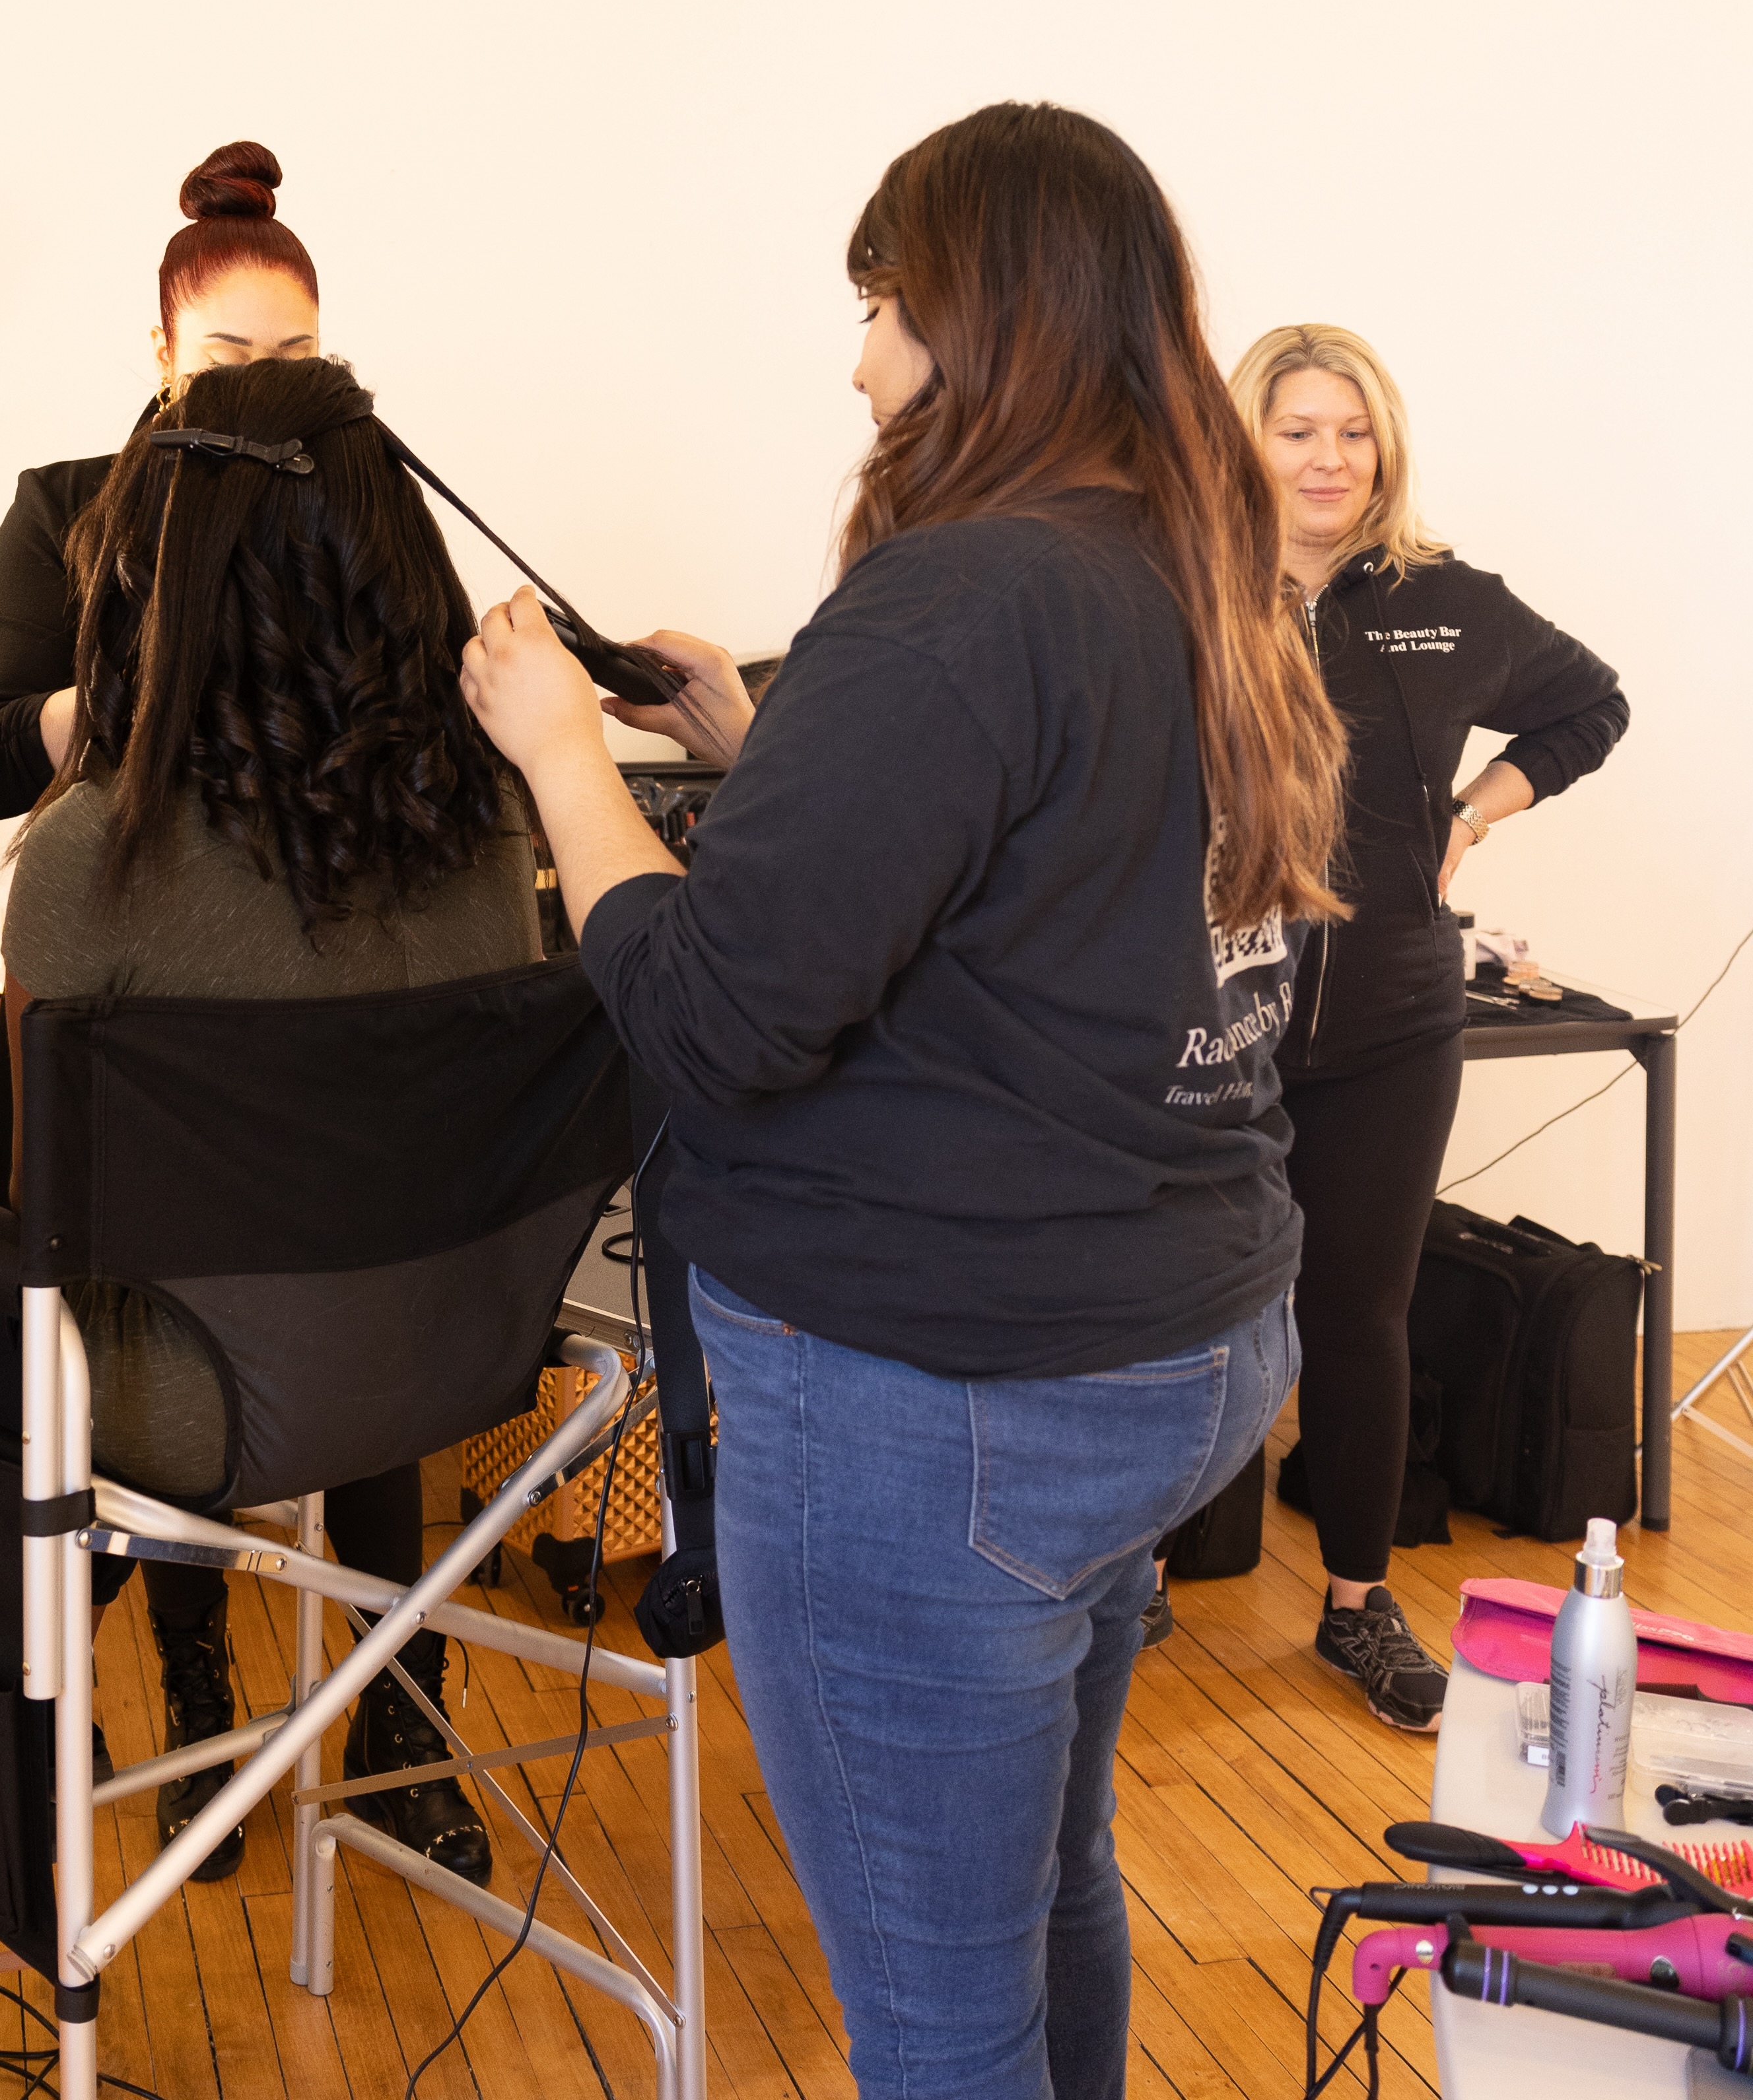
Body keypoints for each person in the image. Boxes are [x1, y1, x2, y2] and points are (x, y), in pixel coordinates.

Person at [458, 102, 1344, 2100]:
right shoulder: (1183, 570)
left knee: (942, 2023)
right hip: (1169, 1351)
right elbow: (1028, 896)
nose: (855, 358)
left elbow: (717, 1015)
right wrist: (753, 736)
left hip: (944, 1407)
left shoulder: (951, 601)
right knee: (1042, 1887)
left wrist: (557, 760)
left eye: (875, 304)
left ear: (972, 318)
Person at [0, 355, 533, 1887]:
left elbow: (56, 1215)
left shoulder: (95, 852)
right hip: (445, 1368)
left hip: (195, 1412)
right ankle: (375, 1721)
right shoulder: (493, 819)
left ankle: (49, 1722)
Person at [1172, 321, 1627, 1731]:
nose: (1325, 456)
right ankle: (1118, 1571)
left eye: (1349, 429)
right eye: (1295, 427)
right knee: (1165, 1307)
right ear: (1243, 437)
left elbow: (1587, 702)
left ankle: (1356, 1606)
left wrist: (1468, 824)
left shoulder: (1442, 599)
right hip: (1200, 1022)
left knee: (1356, 1311)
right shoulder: (1171, 583)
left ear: (1383, 446)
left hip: (1390, 1018)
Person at [0, 139, 322, 823]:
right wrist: (158, 687)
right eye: (228, 358)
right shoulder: (61, 511)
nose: (263, 390)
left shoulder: (359, 501)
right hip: (127, 900)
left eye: (294, 357)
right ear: (165, 354)